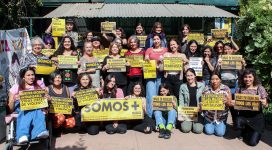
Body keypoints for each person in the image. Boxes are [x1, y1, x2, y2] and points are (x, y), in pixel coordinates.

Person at [7, 67, 49, 143]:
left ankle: (22, 135)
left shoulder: (39, 84)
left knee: (35, 109)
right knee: (29, 108)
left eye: (32, 75)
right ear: (23, 77)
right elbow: (10, 108)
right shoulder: (16, 87)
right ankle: (40, 131)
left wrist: (47, 98)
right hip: (21, 107)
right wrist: (14, 99)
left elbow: (45, 101)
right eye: (28, 75)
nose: (31, 77)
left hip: (36, 106)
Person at [234, 68, 268, 146]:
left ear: (254, 78)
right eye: (245, 77)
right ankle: (244, 129)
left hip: (256, 118)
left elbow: (266, 106)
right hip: (244, 116)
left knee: (252, 143)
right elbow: (236, 105)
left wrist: (264, 102)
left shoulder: (260, 89)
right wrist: (233, 103)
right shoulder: (239, 89)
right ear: (242, 78)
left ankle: (250, 131)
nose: (247, 79)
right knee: (237, 122)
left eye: (250, 77)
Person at [144, 34, 168, 117]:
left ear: (161, 40)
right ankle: (150, 116)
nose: (156, 41)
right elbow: (146, 59)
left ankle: (159, 116)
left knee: (160, 95)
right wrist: (146, 59)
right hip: (150, 75)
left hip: (161, 75)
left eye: (158, 39)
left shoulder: (166, 50)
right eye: (154, 39)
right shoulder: (149, 50)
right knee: (150, 96)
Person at [46, 71, 74, 136]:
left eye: (59, 77)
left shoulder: (65, 87)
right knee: (61, 117)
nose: (57, 79)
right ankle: (55, 129)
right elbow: (44, 104)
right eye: (55, 77)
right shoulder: (47, 89)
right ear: (52, 79)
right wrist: (48, 100)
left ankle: (61, 127)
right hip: (53, 113)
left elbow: (69, 100)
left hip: (64, 112)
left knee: (72, 122)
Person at [179, 68, 205, 134]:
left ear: (195, 76)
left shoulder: (202, 86)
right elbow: (181, 101)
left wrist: (201, 107)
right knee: (185, 129)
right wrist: (181, 114)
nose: (189, 77)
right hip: (187, 112)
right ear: (185, 76)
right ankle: (189, 123)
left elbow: (204, 99)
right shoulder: (182, 86)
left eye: (191, 75)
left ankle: (195, 123)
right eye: (188, 75)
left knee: (198, 130)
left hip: (198, 113)